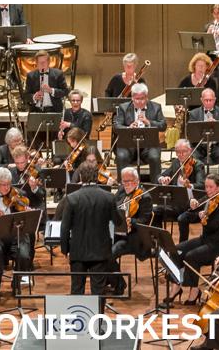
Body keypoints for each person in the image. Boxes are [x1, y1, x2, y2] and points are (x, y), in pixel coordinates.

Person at [61, 162, 124, 295]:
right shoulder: (108, 197)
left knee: (77, 289)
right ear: (97, 176)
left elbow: (65, 227)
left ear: (81, 176)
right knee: (98, 290)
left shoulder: (71, 198)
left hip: (78, 251)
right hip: (100, 250)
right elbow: (118, 222)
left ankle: (78, 309)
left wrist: (65, 249)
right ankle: (99, 310)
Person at [0, 167, 37, 306]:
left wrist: (27, 212)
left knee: (24, 255)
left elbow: (26, 218)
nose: (7, 188)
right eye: (3, 185)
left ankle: (15, 283)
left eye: (9, 184)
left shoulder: (19, 194)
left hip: (17, 235)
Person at [174, 174, 219, 303]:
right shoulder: (208, 199)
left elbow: (213, 226)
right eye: (206, 186)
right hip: (206, 239)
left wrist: (204, 216)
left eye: (211, 187)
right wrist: (192, 204)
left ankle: (194, 291)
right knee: (177, 250)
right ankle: (176, 286)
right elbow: (189, 214)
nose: (207, 190)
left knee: (191, 256)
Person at [110, 167, 154, 295]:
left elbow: (144, 221)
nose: (127, 184)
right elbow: (114, 206)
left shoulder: (144, 197)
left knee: (109, 254)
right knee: (99, 250)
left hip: (133, 237)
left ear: (137, 180)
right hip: (117, 233)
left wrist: (131, 221)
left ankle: (119, 285)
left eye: (130, 181)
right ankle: (111, 281)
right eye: (124, 181)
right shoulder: (121, 190)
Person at [113, 83, 166, 180]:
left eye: (142, 98)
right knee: (121, 156)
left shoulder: (156, 107)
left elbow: (163, 125)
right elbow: (116, 126)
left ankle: (156, 184)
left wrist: (148, 122)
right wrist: (129, 128)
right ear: (132, 97)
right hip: (129, 145)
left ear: (147, 97)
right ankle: (122, 185)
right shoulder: (123, 108)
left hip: (149, 145)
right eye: (137, 99)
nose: (140, 102)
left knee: (154, 157)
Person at [156, 139, 202, 243]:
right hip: (175, 204)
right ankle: (160, 242)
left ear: (190, 151)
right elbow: (160, 175)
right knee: (155, 211)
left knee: (182, 218)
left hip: (191, 205)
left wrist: (189, 185)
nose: (180, 154)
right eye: (178, 152)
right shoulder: (176, 163)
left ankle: (182, 246)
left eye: (183, 151)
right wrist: (162, 179)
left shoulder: (198, 165)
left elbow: (201, 184)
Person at [186, 88, 219, 174]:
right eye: (206, 100)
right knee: (192, 158)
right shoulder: (193, 113)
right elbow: (190, 134)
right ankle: (198, 180)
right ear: (201, 100)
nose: (208, 102)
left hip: (216, 146)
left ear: (215, 100)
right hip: (199, 147)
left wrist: (216, 125)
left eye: (210, 100)